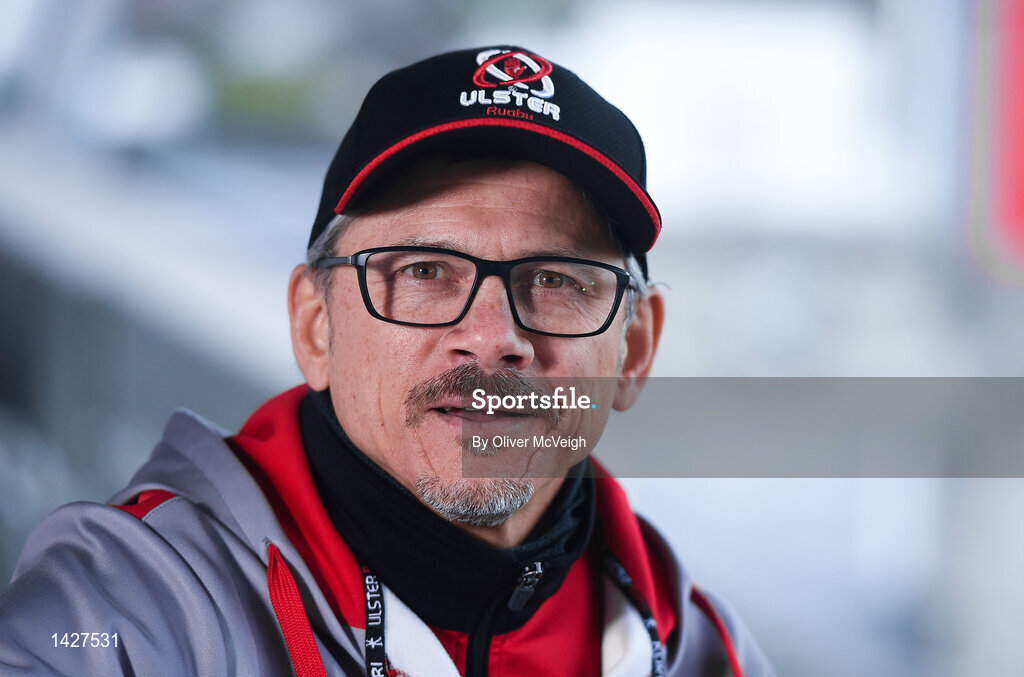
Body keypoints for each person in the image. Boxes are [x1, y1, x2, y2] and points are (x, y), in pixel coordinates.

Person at [0, 46, 774, 676]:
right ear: (315, 326)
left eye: (555, 280)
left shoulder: (713, 653)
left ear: (633, 350)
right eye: (424, 271)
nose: (493, 334)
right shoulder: (128, 613)